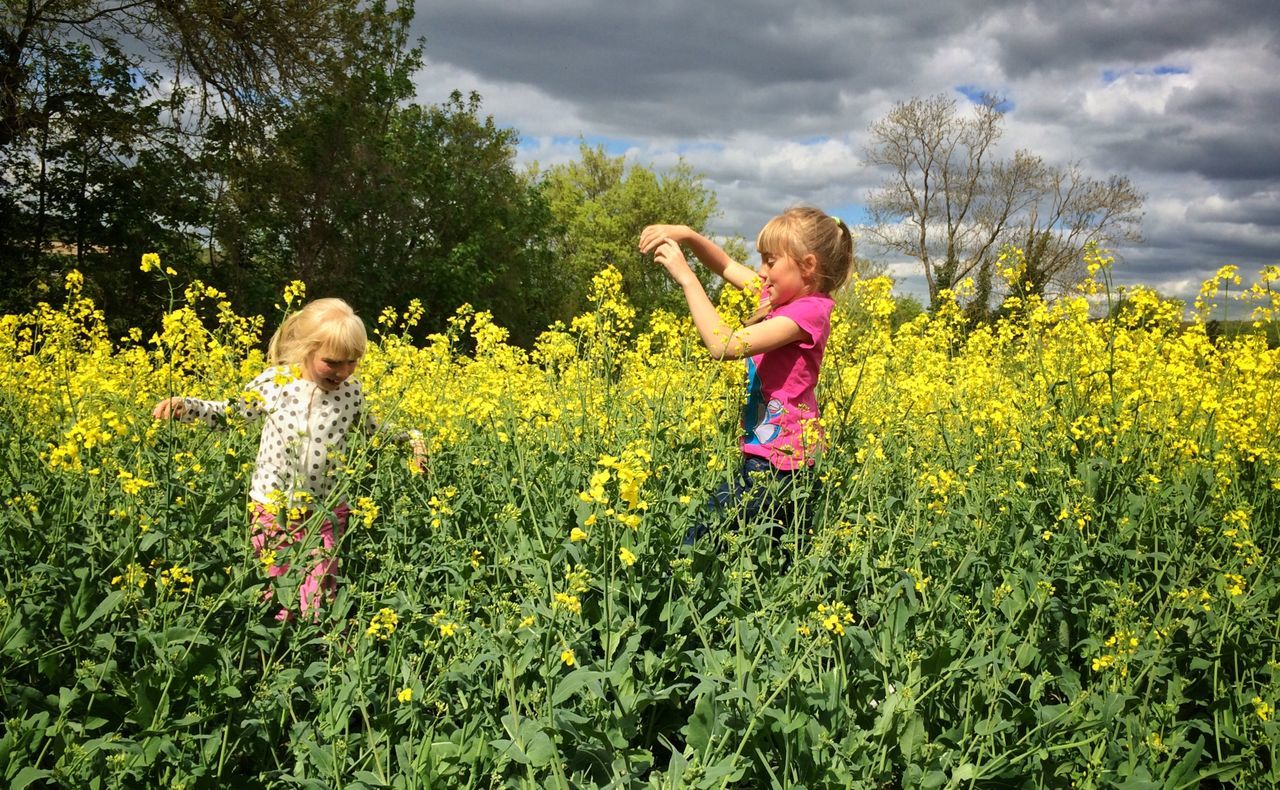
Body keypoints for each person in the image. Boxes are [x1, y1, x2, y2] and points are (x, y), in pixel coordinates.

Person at [153, 297, 421, 621]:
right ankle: (274, 654)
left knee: (318, 593)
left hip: (324, 511)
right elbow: (232, 414)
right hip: (271, 506)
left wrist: (413, 440)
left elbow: (374, 429)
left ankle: (313, 651)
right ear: (308, 349)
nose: (343, 371)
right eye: (333, 362)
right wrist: (188, 407)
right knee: (274, 589)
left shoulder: (351, 392)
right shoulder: (276, 381)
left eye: (353, 362)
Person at [639, 207, 852, 554]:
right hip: (769, 454)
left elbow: (724, 345)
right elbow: (724, 266)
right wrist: (688, 234)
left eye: (770, 261)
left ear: (807, 265)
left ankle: (673, 591)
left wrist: (687, 279)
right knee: (772, 553)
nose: (761, 272)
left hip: (782, 463)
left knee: (701, 536)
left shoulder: (807, 312)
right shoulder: (782, 298)